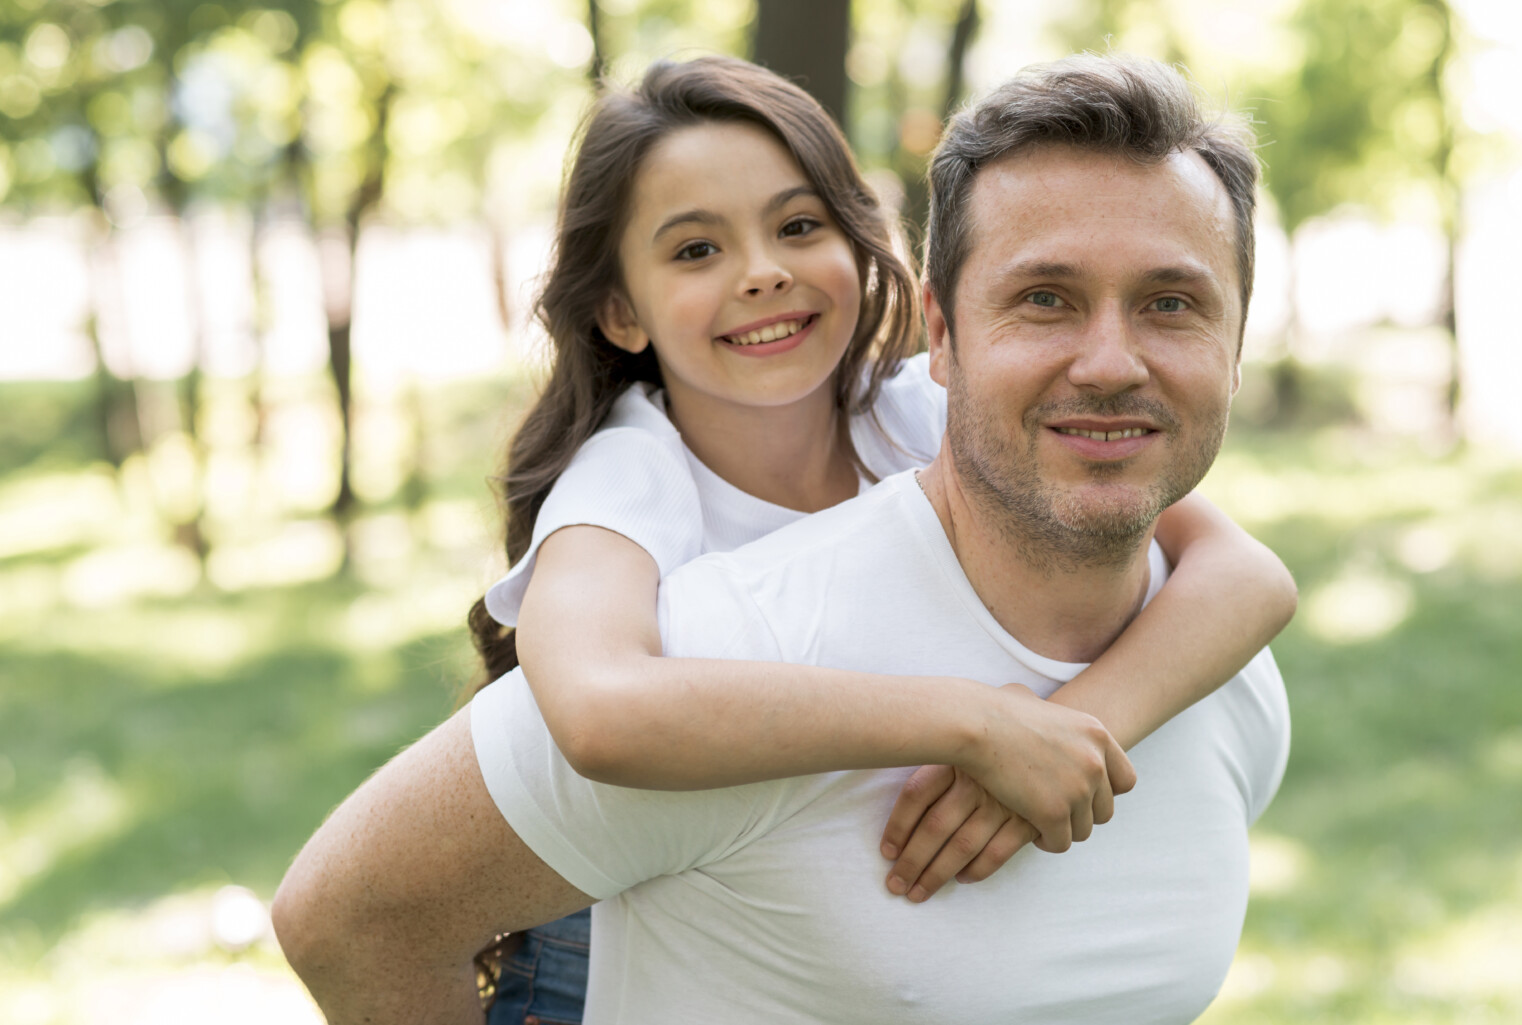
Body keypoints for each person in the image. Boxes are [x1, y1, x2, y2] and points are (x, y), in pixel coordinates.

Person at [274, 53, 1292, 1024]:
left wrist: (1081, 720)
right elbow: (597, 710)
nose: (761, 274)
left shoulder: (907, 410)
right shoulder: (631, 481)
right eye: (696, 248)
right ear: (620, 307)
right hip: (585, 929)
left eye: (797, 225)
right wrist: (970, 723)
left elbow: (1246, 575)